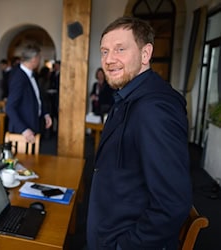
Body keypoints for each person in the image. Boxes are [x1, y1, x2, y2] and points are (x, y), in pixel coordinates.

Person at [86, 17, 192, 250]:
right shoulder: (129, 94)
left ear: (145, 54)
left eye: (120, 49)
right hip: (107, 231)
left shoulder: (154, 108)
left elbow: (172, 203)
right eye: (104, 51)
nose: (109, 59)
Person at [6, 44, 52, 143]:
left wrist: (45, 114)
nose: (40, 61)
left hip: (34, 123)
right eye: (39, 58)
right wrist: (24, 129)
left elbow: (37, 96)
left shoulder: (32, 74)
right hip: (23, 130)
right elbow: (10, 107)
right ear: (34, 59)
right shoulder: (18, 77)